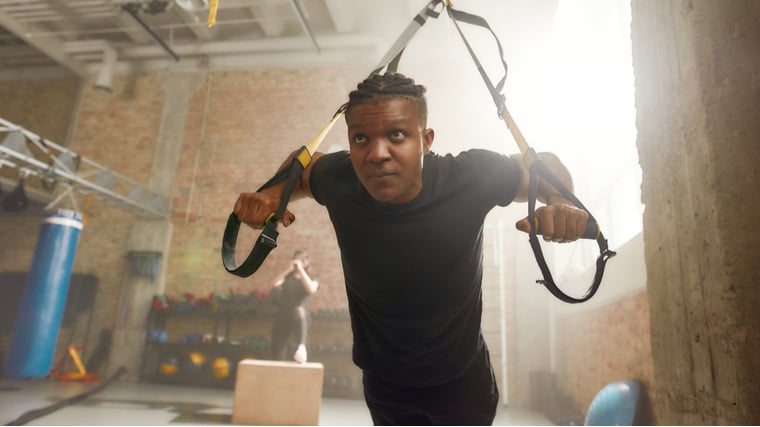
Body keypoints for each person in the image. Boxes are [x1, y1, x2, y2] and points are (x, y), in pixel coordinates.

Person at [233, 72, 589, 425]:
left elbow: (547, 167)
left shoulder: (468, 177)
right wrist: (270, 196)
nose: (377, 154)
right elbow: (304, 162)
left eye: (397, 135)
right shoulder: (341, 179)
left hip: (462, 382)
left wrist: (562, 202)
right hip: (385, 383)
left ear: (426, 140)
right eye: (360, 138)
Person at [270, 247, 318, 363]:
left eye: (302, 260)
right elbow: (274, 284)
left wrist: (301, 270)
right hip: (283, 317)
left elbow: (311, 289)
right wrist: (288, 269)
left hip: (300, 320)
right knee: (277, 355)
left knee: (299, 310)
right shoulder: (287, 278)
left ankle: (302, 347)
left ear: (307, 262)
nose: (298, 262)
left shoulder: (312, 279)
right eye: (296, 259)